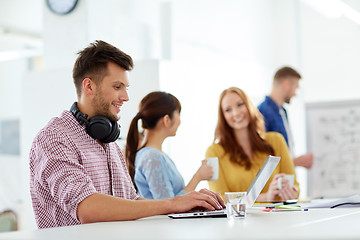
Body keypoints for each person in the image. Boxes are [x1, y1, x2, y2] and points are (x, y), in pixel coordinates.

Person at [29, 40, 225, 229]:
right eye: (117, 87)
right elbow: (87, 208)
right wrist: (172, 204)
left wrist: (186, 207)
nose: (126, 97)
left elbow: (131, 202)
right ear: (89, 87)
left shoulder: (109, 142)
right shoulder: (54, 139)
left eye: (125, 87)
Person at [205, 87, 299, 201]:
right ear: (223, 116)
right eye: (228, 110)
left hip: (276, 216)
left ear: (249, 106)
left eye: (240, 104)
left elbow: (294, 185)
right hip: (240, 218)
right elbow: (220, 199)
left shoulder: (276, 141)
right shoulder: (214, 152)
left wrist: (290, 192)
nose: (236, 113)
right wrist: (265, 197)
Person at [126, 91, 214, 199]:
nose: (180, 121)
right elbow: (168, 204)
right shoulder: (152, 157)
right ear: (167, 120)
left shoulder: (157, 155)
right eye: (179, 114)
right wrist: (198, 177)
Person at [258, 66, 313, 169]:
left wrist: (294, 161)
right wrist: (295, 162)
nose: (295, 94)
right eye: (296, 88)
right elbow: (262, 160)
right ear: (287, 84)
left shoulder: (282, 111)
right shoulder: (262, 112)